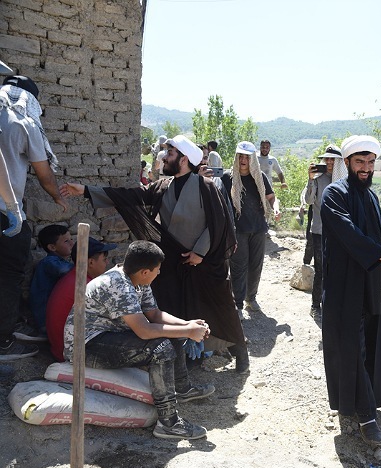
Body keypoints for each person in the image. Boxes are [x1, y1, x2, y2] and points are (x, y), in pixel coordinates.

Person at [60, 134, 249, 373]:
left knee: (219, 307)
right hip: (173, 261)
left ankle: (240, 351)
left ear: (183, 160)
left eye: (170, 154)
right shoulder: (162, 186)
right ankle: (186, 361)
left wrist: (199, 252)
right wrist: (86, 190)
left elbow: (219, 223)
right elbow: (131, 196)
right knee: (173, 306)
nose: (164, 159)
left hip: (205, 262)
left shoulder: (206, 186)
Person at [63, 240, 214, 440]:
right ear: (145, 271)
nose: (159, 273)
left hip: (109, 336)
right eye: (157, 270)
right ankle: (168, 423)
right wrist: (187, 332)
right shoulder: (119, 285)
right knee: (161, 348)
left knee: (174, 334)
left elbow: (154, 314)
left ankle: (182, 389)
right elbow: (144, 330)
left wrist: (187, 326)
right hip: (86, 347)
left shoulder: (136, 279)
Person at [319, 135, 381, 446]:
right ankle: (366, 417)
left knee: (368, 345)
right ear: (346, 163)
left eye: (371, 163)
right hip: (345, 286)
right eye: (360, 162)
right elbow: (349, 233)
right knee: (351, 349)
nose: (366, 168)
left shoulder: (371, 198)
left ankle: (367, 401)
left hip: (369, 283)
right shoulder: (333, 194)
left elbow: (376, 237)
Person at [0, 75, 67, 361]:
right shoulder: (23, 122)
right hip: (6, 214)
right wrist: (57, 197)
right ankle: (4, 341)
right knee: (8, 276)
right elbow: (44, 174)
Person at [219, 141, 280, 317]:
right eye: (241, 156)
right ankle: (237, 304)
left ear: (252, 158)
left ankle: (250, 298)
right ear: (236, 158)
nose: (244, 160)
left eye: (247, 156)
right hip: (237, 230)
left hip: (259, 228)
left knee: (256, 266)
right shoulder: (227, 178)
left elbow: (271, 197)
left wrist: (275, 207)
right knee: (239, 267)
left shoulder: (259, 177)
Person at [46, 236, 116, 362]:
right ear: (90, 263)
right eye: (104, 259)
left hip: (59, 347)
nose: (107, 263)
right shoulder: (86, 286)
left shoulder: (75, 277)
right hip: (69, 352)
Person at [304, 144, 346, 320]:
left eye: (333, 159)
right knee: (320, 269)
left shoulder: (344, 181)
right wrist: (310, 179)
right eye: (326, 158)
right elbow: (308, 200)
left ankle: (332, 303)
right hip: (319, 231)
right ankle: (315, 305)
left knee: (336, 269)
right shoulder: (318, 179)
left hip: (339, 233)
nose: (329, 162)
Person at [27, 224, 74, 337]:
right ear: (52, 247)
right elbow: (65, 270)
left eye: (71, 239)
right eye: (66, 241)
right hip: (45, 320)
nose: (72, 243)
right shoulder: (49, 262)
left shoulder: (59, 261)